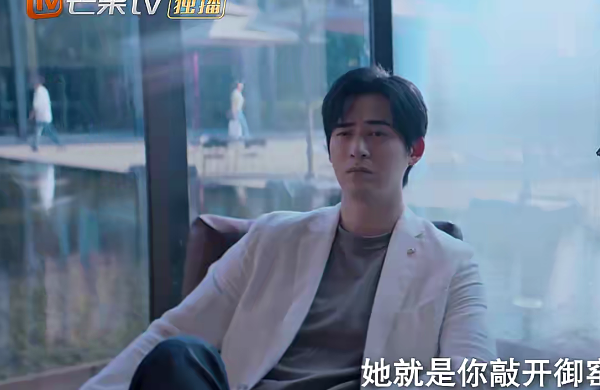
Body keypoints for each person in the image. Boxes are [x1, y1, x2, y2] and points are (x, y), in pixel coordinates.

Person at [82, 67, 496, 390]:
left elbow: (474, 373)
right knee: (177, 355)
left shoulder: (452, 263)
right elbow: (173, 330)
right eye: (344, 133)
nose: (358, 148)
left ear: (414, 150)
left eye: (376, 133)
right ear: (330, 148)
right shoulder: (272, 238)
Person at [28, 75, 62, 151]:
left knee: (48, 131)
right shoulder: (44, 90)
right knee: (38, 130)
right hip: (44, 115)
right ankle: (35, 145)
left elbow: (36, 105)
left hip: (42, 115)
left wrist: (31, 115)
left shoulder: (38, 92)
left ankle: (59, 143)